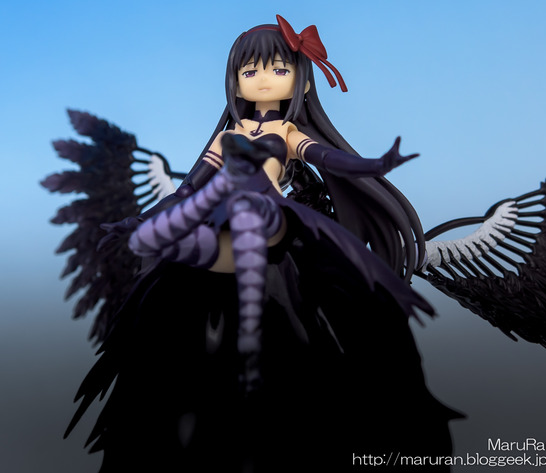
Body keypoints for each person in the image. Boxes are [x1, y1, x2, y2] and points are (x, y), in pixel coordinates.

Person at [66, 15, 460, 472]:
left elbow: (329, 159)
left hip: (269, 216)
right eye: (250, 71)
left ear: (301, 83)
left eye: (278, 69)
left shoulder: (286, 133)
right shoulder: (228, 136)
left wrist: (376, 164)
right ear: (235, 82)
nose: (264, 79)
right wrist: (140, 221)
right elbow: (187, 189)